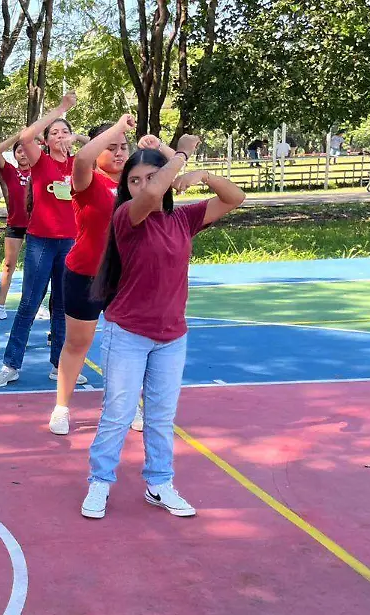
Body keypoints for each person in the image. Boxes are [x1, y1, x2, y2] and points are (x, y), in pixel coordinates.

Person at [79, 134, 245, 520]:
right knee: (118, 414)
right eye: (133, 180)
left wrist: (201, 173)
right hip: (129, 334)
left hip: (172, 336)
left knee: (160, 416)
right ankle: (100, 482)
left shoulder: (182, 219)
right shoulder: (127, 218)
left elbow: (234, 198)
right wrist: (181, 153)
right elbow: (152, 195)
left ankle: (159, 483)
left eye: (148, 177)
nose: (141, 185)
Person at [48, 115, 144, 436]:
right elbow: (85, 157)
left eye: (123, 147)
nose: (119, 152)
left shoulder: (137, 183)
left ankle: (129, 405)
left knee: (126, 345)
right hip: (85, 274)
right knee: (78, 343)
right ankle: (62, 407)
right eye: (111, 147)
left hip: (125, 279)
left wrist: (157, 149)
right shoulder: (88, 180)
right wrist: (118, 127)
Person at [0, 91, 86, 389]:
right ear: (46, 140)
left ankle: (59, 365)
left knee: (62, 305)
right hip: (41, 242)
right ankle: (10, 364)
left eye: (64, 132)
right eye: (54, 133)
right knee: (30, 303)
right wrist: (60, 109)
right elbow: (26, 135)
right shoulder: (40, 162)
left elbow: (99, 149)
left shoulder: (78, 165)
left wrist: (77, 137)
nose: (60, 136)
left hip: (71, 242)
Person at [0, 133, 32, 322]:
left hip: (37, 225)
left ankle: (37, 306)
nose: (23, 154)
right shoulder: (11, 171)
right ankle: (0, 307)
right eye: (19, 151)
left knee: (35, 268)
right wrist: (20, 136)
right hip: (15, 224)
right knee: (8, 265)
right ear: (15, 155)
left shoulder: (40, 170)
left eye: (26, 150)